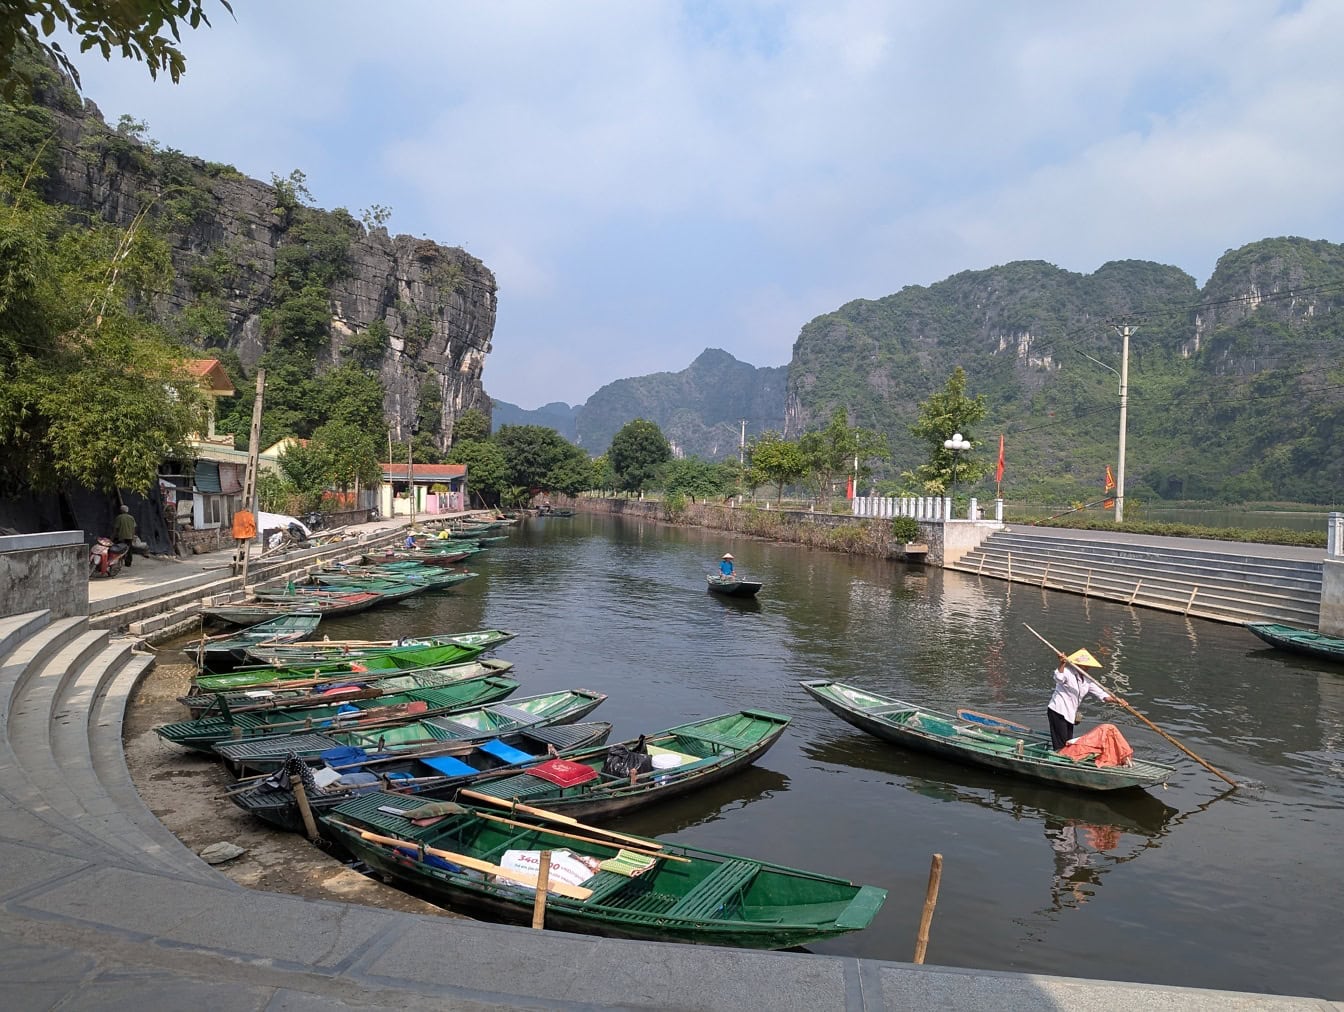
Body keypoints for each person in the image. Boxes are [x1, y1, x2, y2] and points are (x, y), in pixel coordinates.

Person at [1047, 649, 1117, 751]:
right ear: (1078, 665)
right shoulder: (1067, 672)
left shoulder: (1087, 680)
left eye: (1088, 666)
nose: (1087, 668)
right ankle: (1059, 760)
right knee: (1061, 744)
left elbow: (1103, 695)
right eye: (1085, 665)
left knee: (1068, 741)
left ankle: (1065, 757)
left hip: (1070, 714)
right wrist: (1062, 663)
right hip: (1058, 711)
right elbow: (1058, 678)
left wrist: (1118, 701)